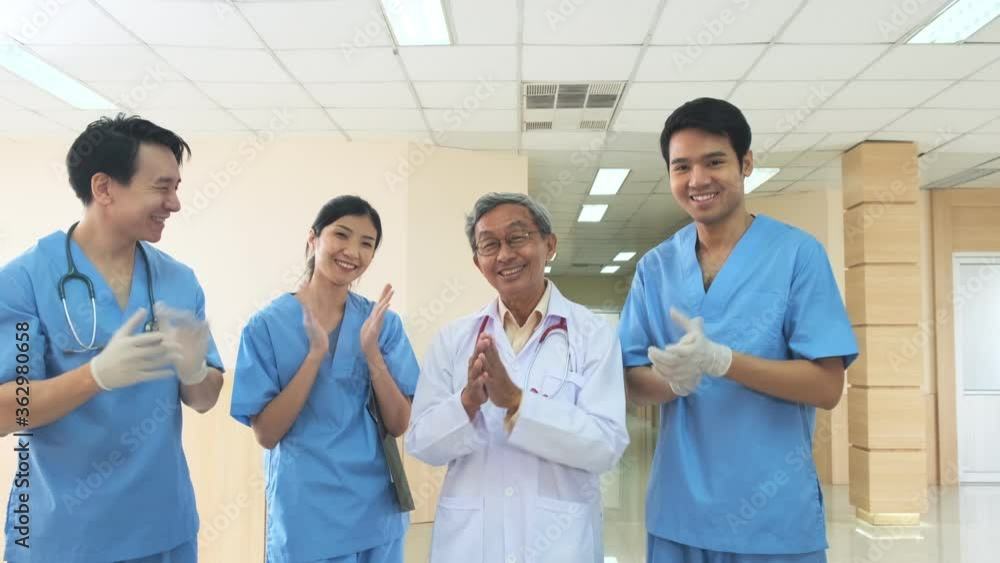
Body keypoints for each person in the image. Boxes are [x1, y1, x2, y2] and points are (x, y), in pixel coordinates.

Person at [619, 97, 859, 563]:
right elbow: (630, 382)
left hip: (772, 518)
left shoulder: (796, 255)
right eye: (681, 166)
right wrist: (671, 382)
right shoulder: (656, 267)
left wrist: (723, 361)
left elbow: (827, 386)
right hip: (679, 513)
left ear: (746, 163)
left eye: (714, 162)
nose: (697, 180)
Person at [0, 114, 225, 563]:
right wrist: (96, 376)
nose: (175, 203)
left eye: (176, 186)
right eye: (162, 187)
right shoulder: (24, 281)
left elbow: (204, 398)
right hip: (60, 534)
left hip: (163, 528)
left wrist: (195, 371)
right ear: (104, 188)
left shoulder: (178, 281)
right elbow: (8, 410)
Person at [407, 192, 629, 563]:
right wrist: (467, 403)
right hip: (472, 544)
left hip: (558, 540)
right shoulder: (454, 339)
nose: (504, 254)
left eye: (517, 237)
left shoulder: (592, 335)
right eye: (489, 245)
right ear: (478, 264)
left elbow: (606, 445)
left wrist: (517, 402)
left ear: (550, 245)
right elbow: (421, 442)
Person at [230, 195, 419, 563]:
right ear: (313, 239)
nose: (353, 251)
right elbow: (267, 434)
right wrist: (314, 356)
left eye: (367, 243)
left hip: (375, 508)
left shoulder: (382, 325)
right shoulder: (266, 326)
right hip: (306, 514)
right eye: (342, 235)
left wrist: (371, 352)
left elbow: (398, 423)